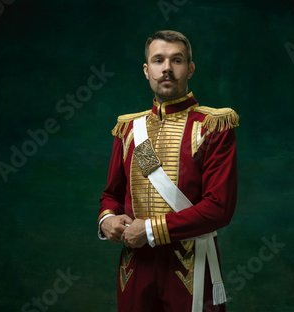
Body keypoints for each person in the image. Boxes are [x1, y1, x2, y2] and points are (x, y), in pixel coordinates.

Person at [97, 30, 238, 312]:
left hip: (190, 266)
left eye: (177, 60)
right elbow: (111, 195)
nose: (167, 69)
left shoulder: (213, 125)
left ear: (190, 68)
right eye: (159, 60)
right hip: (135, 266)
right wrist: (107, 220)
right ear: (147, 70)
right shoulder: (129, 129)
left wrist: (148, 230)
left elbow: (219, 207)